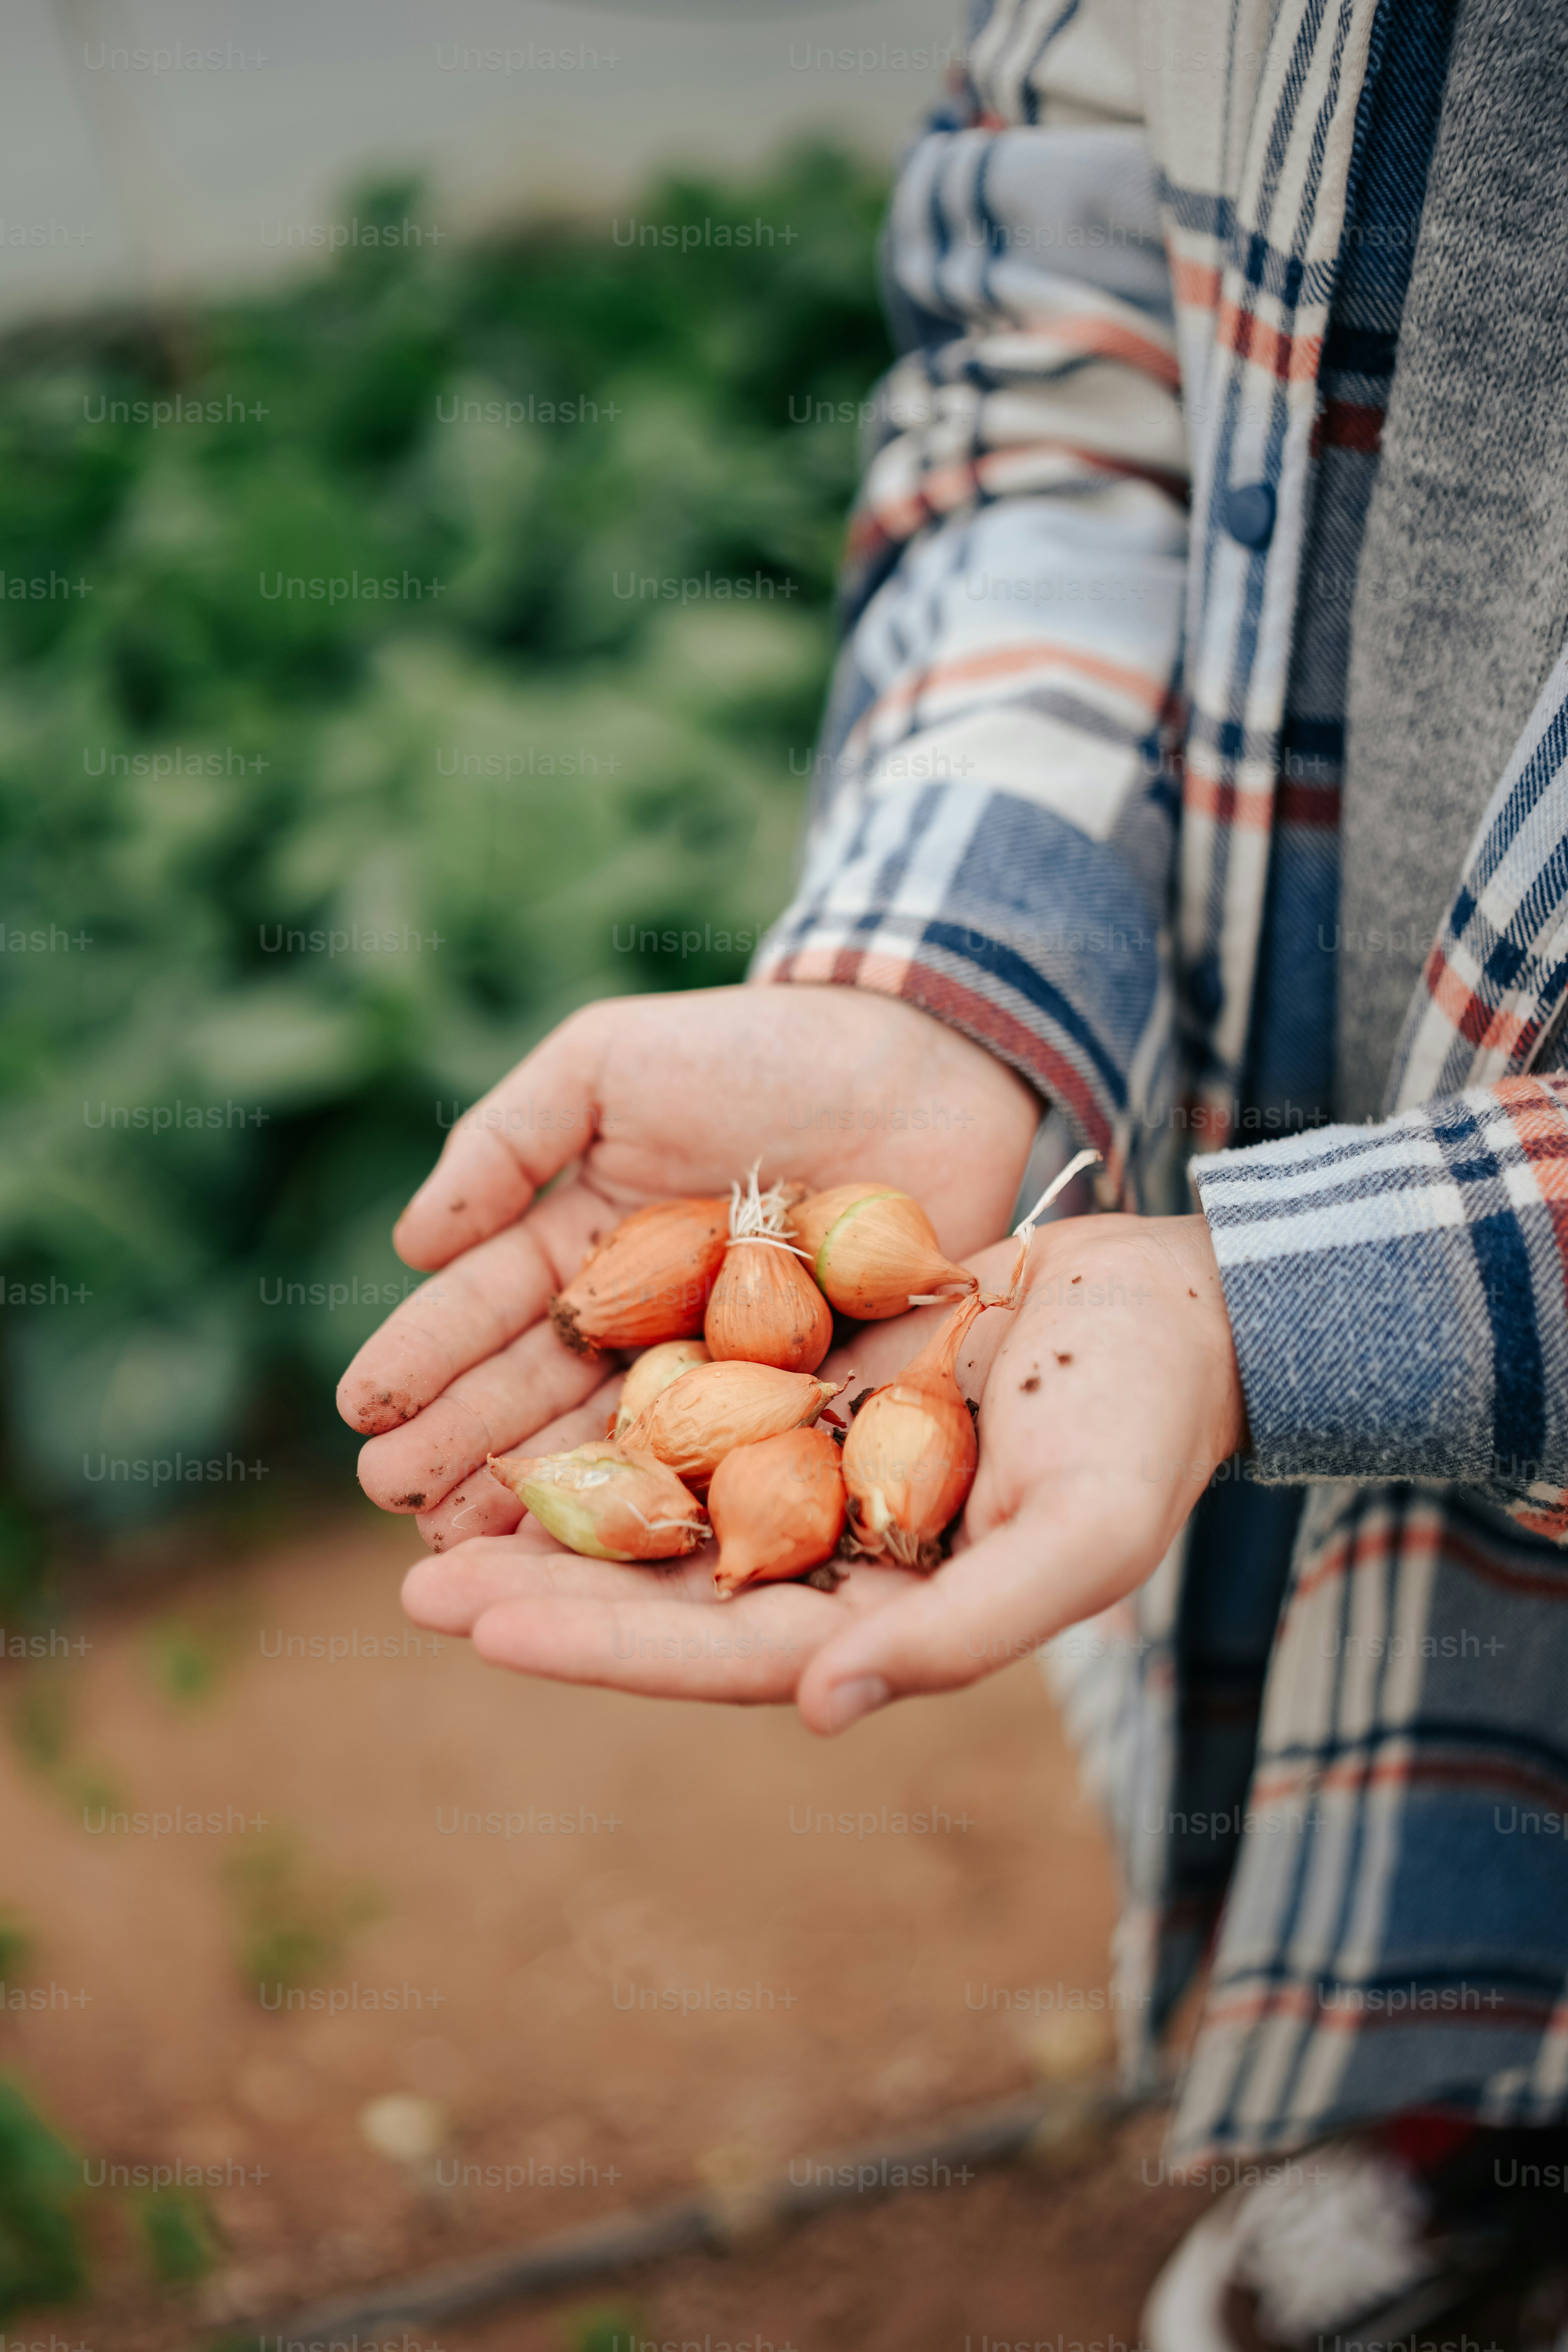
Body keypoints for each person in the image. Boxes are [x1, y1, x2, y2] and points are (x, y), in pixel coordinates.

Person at [339, 0, 1568, 2341]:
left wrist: (1300, 1303)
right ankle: (1478, 2123)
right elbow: (1059, 381)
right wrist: (947, 975)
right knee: (1445, 1752)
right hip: (1276, 1007)